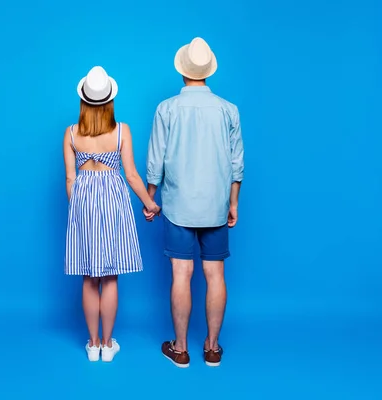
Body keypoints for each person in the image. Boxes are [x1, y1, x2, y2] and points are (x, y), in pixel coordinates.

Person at [143, 37, 245, 368]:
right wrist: (233, 203)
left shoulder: (167, 108)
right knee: (215, 274)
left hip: (178, 205)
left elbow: (155, 160)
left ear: (183, 70)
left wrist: (150, 198)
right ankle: (213, 348)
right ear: (207, 71)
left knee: (181, 273)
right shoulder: (228, 109)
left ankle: (181, 348)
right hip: (216, 204)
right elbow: (236, 163)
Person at [63, 66, 161, 362]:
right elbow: (130, 175)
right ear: (109, 101)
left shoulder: (70, 133)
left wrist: (79, 211)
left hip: (82, 200)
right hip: (113, 202)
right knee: (111, 276)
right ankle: (108, 344)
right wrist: (149, 203)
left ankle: (92, 345)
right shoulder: (121, 131)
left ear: (84, 101)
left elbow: (70, 179)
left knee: (89, 278)